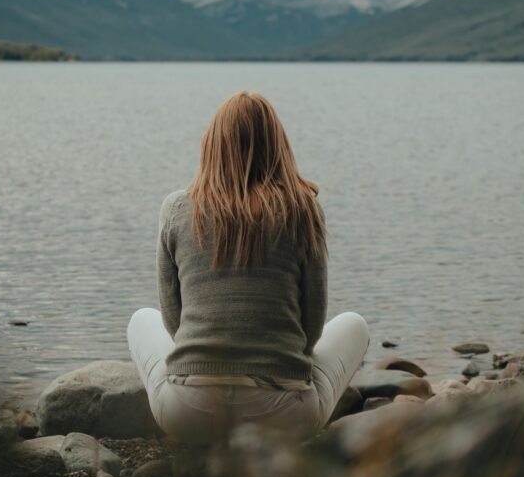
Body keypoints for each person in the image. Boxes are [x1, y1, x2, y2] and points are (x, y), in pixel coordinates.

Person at [127, 91, 369, 444]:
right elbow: (312, 324)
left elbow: (173, 321)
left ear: (211, 145)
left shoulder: (177, 209)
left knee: (141, 319)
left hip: (188, 413)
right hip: (282, 416)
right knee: (355, 325)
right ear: (278, 147)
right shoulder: (303, 209)